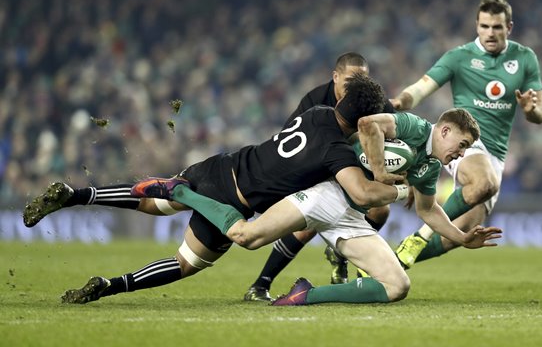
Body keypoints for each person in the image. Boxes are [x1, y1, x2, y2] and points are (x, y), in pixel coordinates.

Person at [24, 73, 404, 304]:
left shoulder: (316, 113)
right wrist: (393, 182)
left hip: (221, 165)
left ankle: (76, 195)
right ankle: (109, 286)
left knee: (153, 205)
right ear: (364, 120)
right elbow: (360, 193)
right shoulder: (336, 153)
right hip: (232, 203)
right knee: (185, 264)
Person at [137, 108, 502, 305]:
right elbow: (367, 124)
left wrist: (461, 236)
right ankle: (181, 192)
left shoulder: (430, 166)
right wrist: (377, 169)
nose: (463, 153)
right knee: (246, 237)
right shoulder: (413, 127)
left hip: (351, 215)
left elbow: (427, 210)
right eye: (463, 143)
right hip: (327, 193)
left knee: (397, 286)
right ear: (444, 130)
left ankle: (303, 295)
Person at [391, 0, 542, 268]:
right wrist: (399, 102)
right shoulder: (459, 57)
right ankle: (418, 237)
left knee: (458, 236)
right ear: (477, 25)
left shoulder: (525, 58)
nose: (490, 33)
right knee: (484, 182)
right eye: (485, 26)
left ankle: (384, 265)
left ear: (509, 27)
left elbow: (540, 114)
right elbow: (422, 87)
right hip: (465, 142)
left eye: (497, 27)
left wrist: (529, 109)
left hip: (495, 156)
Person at [243, 52, 396, 303]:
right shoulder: (315, 101)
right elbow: (289, 141)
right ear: (335, 77)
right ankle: (261, 284)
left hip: (354, 169)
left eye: (363, 79)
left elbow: (394, 136)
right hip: (317, 169)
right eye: (351, 79)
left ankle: (342, 255)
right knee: (307, 228)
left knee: (381, 211)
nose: (357, 85)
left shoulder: (371, 99)